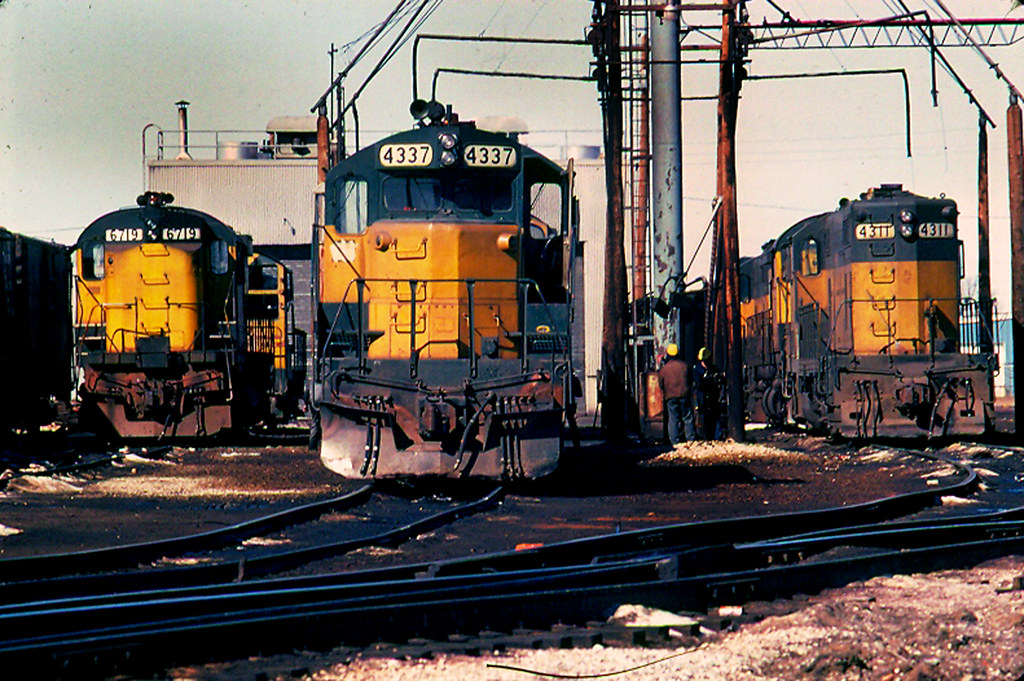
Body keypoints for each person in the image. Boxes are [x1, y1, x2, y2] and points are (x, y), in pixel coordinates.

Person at [657, 343, 696, 445]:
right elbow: (690, 380)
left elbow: (661, 383)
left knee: (673, 418)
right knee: (687, 417)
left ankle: (674, 441)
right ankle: (690, 440)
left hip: (670, 396)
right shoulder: (684, 366)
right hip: (684, 395)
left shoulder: (664, 369)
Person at [693, 346, 725, 440]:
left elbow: (720, 381)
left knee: (715, 417)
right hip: (702, 397)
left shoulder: (714, 369)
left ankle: (716, 437)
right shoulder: (697, 369)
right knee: (704, 418)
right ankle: (705, 437)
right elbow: (698, 383)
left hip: (712, 397)